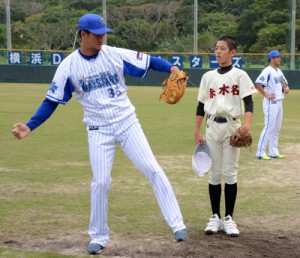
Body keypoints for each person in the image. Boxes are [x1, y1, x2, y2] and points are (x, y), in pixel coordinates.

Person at [12, 13, 188, 255]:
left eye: (103, 33)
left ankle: (177, 225)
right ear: (83, 35)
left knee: (152, 169)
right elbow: (51, 101)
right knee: (101, 182)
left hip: (127, 123)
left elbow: (149, 61)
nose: (102, 37)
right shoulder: (69, 66)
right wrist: (30, 125)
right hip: (98, 130)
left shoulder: (114, 54)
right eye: (97, 34)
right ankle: (98, 236)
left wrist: (172, 68)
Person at [194, 36, 257, 237]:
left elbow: (248, 102)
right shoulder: (208, 77)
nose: (218, 51)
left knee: (230, 173)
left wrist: (246, 125)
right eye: (216, 48)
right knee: (214, 173)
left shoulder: (240, 75)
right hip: (212, 126)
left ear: (232, 53)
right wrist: (197, 131)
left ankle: (229, 218)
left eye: (222, 48)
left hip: (232, 127)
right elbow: (201, 106)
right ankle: (215, 217)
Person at [255, 50, 290, 160]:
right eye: (277, 57)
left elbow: (284, 84)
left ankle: (273, 151)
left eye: (279, 57)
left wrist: (286, 88)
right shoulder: (267, 71)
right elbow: (258, 83)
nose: (279, 59)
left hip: (279, 102)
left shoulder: (278, 71)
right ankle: (260, 152)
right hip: (271, 103)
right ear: (272, 59)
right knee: (269, 127)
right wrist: (266, 94)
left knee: (276, 128)